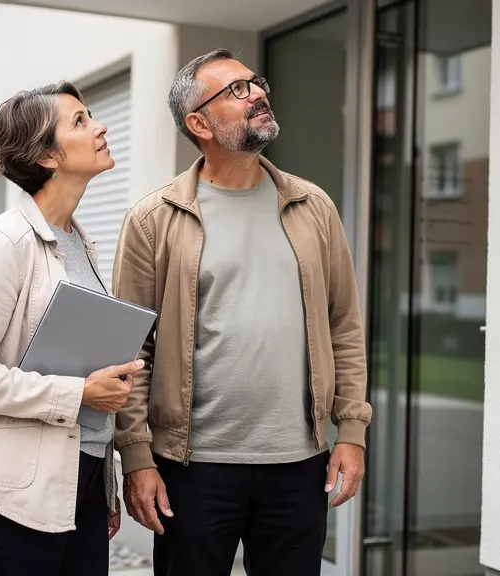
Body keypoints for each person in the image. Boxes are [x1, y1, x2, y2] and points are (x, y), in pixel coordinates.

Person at [111, 49, 373, 576]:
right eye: (235, 89)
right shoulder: (153, 218)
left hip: (299, 464)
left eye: (255, 83)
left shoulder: (313, 206)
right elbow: (130, 349)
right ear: (198, 122)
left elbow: (343, 325)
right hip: (191, 468)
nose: (256, 93)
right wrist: (137, 457)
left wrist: (351, 431)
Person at [0, 80, 142, 576]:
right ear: (47, 157)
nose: (100, 126)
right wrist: (79, 394)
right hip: (16, 490)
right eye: (79, 121)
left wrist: (104, 484)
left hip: (83, 478)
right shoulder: (6, 243)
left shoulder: (79, 242)